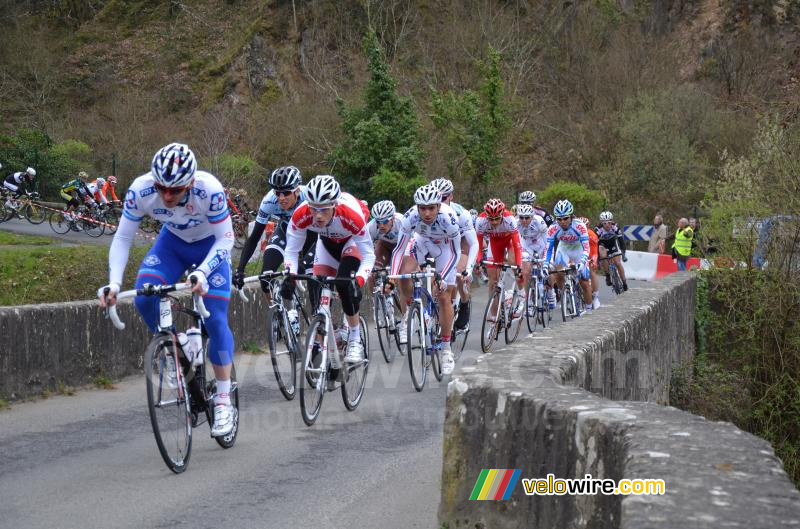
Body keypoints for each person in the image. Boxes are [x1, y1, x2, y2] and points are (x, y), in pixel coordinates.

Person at [98, 143, 237, 437]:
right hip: (171, 245)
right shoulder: (140, 190)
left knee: (214, 319)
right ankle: (177, 345)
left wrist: (203, 271)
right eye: (162, 188)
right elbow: (122, 238)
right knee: (144, 297)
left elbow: (226, 239)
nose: (167, 196)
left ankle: (224, 399)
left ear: (191, 182)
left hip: (210, 247)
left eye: (175, 190)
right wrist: (114, 283)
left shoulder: (209, 190)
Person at [284, 175, 374, 363]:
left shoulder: (350, 215)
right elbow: (291, 251)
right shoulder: (301, 214)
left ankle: (355, 339)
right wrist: (290, 274)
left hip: (350, 243)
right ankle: (321, 341)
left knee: (344, 285)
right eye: (314, 209)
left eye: (324, 209)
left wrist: (358, 281)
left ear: (334, 205)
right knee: (316, 287)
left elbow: (368, 256)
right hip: (325, 244)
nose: (318, 215)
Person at [233, 166, 316, 330]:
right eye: (278, 193)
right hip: (286, 232)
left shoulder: (310, 197)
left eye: (286, 193)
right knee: (266, 276)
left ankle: (317, 321)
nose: (281, 198)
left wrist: (303, 265)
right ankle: (278, 314)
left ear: (297, 191)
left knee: (312, 276)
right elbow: (254, 237)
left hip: (311, 234)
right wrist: (240, 269)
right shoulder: (269, 201)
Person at [390, 184, 461, 375]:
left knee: (444, 296)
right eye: (423, 208)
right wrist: (391, 278)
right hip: (422, 241)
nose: (427, 213)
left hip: (446, 248)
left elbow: (456, 253)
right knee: (404, 273)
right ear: (417, 207)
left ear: (438, 206)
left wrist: (442, 276)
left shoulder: (448, 218)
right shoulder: (410, 217)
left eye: (431, 208)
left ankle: (446, 349)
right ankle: (411, 311)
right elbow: (399, 250)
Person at [431, 178, 479, 331]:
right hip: (441, 243)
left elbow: (474, 243)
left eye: (443, 198)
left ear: (451, 196)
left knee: (458, 272)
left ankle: (464, 302)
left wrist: (469, 269)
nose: (440, 202)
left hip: (461, 242)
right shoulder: (427, 211)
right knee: (434, 276)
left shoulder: (462, 214)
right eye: (436, 198)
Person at [475, 198, 525, 321]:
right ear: (486, 216)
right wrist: (478, 262)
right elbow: (478, 245)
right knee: (493, 281)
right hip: (495, 244)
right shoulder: (480, 221)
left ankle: (521, 294)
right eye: (491, 219)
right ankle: (494, 314)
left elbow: (517, 245)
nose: (494, 222)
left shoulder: (509, 219)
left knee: (514, 264)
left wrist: (519, 265)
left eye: (497, 218)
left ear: (502, 214)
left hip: (510, 242)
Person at [367, 200, 408, 344]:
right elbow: (365, 248)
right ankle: (377, 304)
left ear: (393, 218)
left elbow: (412, 245)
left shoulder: (402, 222)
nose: (381, 225)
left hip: (403, 248)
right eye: (378, 222)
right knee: (372, 272)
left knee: (402, 278)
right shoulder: (371, 227)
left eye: (385, 221)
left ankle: (405, 322)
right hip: (384, 246)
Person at [544, 199, 593, 313]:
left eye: (565, 218)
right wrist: (546, 264)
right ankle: (565, 294)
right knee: (559, 272)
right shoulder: (553, 228)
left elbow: (586, 248)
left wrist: (582, 261)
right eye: (559, 219)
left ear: (571, 217)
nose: (562, 222)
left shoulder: (579, 226)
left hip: (579, 249)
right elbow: (549, 249)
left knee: (584, 281)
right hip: (564, 249)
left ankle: (589, 310)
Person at [516, 204, 549, 314]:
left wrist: (545, 259)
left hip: (541, 245)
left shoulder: (539, 221)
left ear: (532, 216)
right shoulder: (516, 223)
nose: (524, 220)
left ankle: (550, 293)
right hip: (527, 246)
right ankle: (529, 302)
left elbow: (548, 243)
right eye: (521, 217)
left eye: (527, 217)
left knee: (547, 268)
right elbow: (517, 243)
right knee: (525, 272)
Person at [595, 211, 628, 291]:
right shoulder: (598, 230)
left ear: (612, 222)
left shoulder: (615, 227)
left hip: (613, 244)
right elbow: (595, 244)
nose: (607, 225)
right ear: (601, 223)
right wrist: (597, 258)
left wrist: (623, 254)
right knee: (603, 256)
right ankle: (607, 275)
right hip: (603, 244)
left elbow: (621, 241)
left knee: (618, 263)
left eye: (609, 223)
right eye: (605, 223)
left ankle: (624, 281)